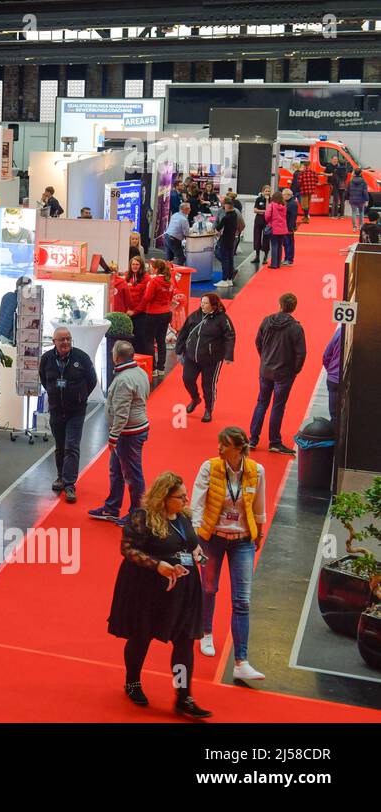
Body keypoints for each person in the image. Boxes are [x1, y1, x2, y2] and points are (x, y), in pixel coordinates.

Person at [107, 472, 211, 719]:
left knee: (185, 642)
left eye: (186, 496)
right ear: (164, 497)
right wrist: (158, 565)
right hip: (148, 589)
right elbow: (128, 549)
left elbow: (189, 544)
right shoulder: (142, 518)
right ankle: (132, 682)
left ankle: (183, 695)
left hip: (183, 589)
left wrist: (199, 555)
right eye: (180, 497)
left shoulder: (184, 517)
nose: (185, 501)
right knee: (141, 636)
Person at [191, 426, 267, 681]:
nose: (219, 448)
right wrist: (196, 539)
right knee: (209, 588)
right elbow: (197, 504)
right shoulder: (208, 467)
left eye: (224, 445)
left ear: (238, 448)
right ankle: (206, 632)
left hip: (243, 540)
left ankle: (241, 661)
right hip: (212, 538)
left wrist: (260, 531)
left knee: (242, 600)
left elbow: (259, 505)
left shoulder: (257, 471)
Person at [89, 341, 150, 524]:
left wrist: (113, 437)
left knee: (132, 475)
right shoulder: (139, 372)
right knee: (116, 470)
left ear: (116, 357)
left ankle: (136, 516)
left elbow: (122, 413)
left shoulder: (123, 379)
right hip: (134, 429)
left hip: (128, 434)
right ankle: (112, 508)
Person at [39, 327, 97, 503]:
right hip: (56, 409)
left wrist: (81, 396)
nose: (65, 342)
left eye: (68, 339)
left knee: (72, 445)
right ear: (54, 342)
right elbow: (43, 378)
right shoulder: (47, 359)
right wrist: (54, 392)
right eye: (61, 339)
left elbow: (92, 380)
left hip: (76, 411)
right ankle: (60, 477)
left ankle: (70, 483)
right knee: (60, 445)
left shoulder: (81, 358)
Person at [249, 292, 305, 454]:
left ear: (279, 305)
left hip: (265, 369)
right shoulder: (296, 328)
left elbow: (257, 342)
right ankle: (274, 441)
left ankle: (253, 439)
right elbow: (301, 353)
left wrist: (264, 358)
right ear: (293, 308)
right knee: (278, 406)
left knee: (261, 402)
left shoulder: (266, 321)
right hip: (284, 373)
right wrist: (295, 370)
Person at [176, 292, 236, 424]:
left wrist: (228, 355)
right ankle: (195, 398)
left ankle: (208, 409)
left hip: (212, 359)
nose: (202, 305)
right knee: (187, 379)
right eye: (201, 303)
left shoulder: (222, 319)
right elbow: (184, 332)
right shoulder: (194, 316)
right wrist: (179, 350)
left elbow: (230, 336)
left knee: (208, 385)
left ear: (213, 305)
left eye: (205, 303)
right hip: (192, 356)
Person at [139, 259, 174, 377]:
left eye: (151, 266)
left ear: (156, 269)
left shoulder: (154, 281)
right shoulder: (169, 281)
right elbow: (170, 296)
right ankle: (161, 368)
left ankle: (153, 368)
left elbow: (147, 297)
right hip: (166, 313)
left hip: (153, 313)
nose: (150, 268)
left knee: (149, 341)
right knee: (161, 340)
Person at [111, 256, 147, 321]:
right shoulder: (128, 276)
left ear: (141, 266)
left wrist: (135, 311)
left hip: (141, 313)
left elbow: (145, 299)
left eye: (137, 264)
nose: (134, 266)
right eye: (133, 264)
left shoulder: (146, 278)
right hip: (128, 312)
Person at [214, 198, 240, 288]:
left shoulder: (226, 217)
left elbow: (217, 228)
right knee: (230, 259)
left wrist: (216, 231)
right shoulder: (235, 215)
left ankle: (224, 279)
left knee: (225, 260)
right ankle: (229, 279)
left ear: (226, 206)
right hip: (232, 239)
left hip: (225, 240)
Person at [323, 325, 343, 425]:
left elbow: (326, 355)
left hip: (333, 379)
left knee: (334, 415)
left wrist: (331, 371)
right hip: (347, 381)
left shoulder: (339, 332)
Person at [265, 188, 289, 269]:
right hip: (282, 228)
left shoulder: (271, 205)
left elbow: (267, 216)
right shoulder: (284, 206)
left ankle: (274, 264)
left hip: (274, 228)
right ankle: (278, 263)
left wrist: (269, 222)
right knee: (279, 245)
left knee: (274, 245)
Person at [251, 185, 272, 267]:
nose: (267, 192)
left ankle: (265, 257)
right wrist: (263, 211)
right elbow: (255, 210)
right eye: (266, 191)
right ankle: (257, 256)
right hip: (258, 220)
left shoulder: (271, 200)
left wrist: (267, 200)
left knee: (266, 238)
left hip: (267, 221)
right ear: (263, 191)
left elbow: (268, 210)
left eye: (269, 191)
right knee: (257, 237)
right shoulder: (258, 199)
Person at [347, 167, 370, 232]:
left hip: (352, 199)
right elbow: (365, 192)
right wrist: (367, 200)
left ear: (354, 173)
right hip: (361, 199)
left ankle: (354, 227)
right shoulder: (363, 181)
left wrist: (347, 198)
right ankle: (360, 226)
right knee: (361, 213)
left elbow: (348, 191)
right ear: (360, 173)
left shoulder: (351, 181)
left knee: (353, 213)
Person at [281, 187, 300, 265]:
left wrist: (291, 227)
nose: (282, 196)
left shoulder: (292, 204)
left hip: (289, 226)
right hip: (285, 226)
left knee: (289, 243)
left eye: (283, 195)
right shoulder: (288, 202)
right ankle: (286, 258)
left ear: (288, 195)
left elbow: (293, 216)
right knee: (285, 243)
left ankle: (290, 259)